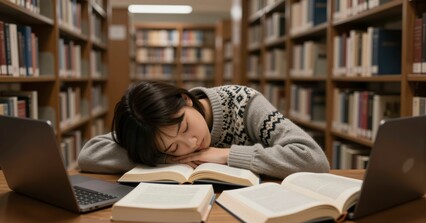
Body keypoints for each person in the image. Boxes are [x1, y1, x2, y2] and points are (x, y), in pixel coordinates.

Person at [77, 81, 329, 179]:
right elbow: (90, 154)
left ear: (186, 100)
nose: (191, 143)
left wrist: (227, 155)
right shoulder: (147, 127)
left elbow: (314, 159)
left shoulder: (245, 102)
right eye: (173, 147)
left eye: (185, 126)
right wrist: (160, 157)